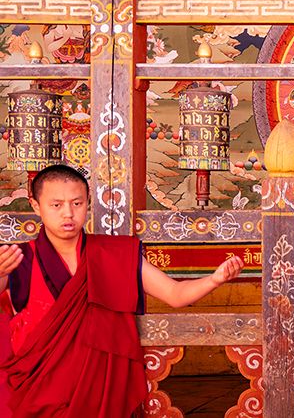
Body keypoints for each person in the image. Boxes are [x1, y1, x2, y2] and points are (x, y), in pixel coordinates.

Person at [0, 165, 244, 417]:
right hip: (39, 399)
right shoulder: (20, 260)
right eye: (56, 205)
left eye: (77, 203)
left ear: (88, 203)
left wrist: (215, 279)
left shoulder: (114, 255)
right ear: (36, 205)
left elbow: (175, 294)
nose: (68, 214)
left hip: (100, 398)